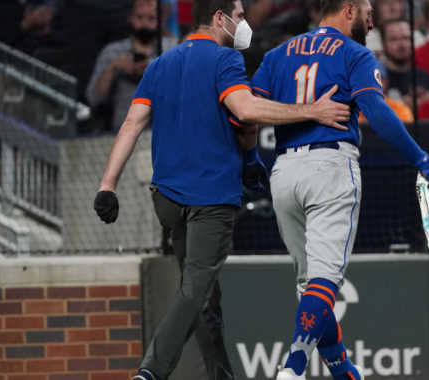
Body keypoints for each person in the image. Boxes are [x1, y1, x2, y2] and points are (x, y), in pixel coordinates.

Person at [91, 1, 351, 379]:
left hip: (166, 197)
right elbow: (244, 112)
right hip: (210, 198)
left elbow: (131, 124)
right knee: (195, 292)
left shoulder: (160, 64)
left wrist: (107, 186)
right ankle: (150, 373)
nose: (243, 23)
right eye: (240, 16)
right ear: (219, 18)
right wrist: (312, 111)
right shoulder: (224, 60)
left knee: (206, 299)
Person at [251, 1, 429, 379]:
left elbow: (246, 112)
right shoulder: (354, 52)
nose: (371, 21)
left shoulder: (277, 54)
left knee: (309, 283)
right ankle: (293, 367)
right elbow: (376, 112)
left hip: (283, 172)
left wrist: (250, 162)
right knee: (325, 281)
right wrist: (424, 161)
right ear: (348, 9)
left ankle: (341, 368)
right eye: (366, 11)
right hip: (330, 166)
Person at [85, 0, 178, 132]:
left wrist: (158, 68)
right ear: (131, 18)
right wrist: (112, 68)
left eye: (151, 18)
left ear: (161, 19)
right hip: (124, 130)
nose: (144, 24)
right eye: (139, 17)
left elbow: (189, 89)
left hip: (167, 130)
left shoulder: (173, 49)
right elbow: (93, 98)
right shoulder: (113, 51)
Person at [378, 18, 429, 108]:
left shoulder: (424, 77)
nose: (401, 45)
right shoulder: (374, 79)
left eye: (406, 38)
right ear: (383, 44)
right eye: (393, 39)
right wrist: (402, 105)